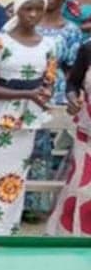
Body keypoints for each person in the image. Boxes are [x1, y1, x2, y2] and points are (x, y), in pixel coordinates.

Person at [0, 0, 56, 235]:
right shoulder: (0, 43)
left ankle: (8, 230)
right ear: (18, 10)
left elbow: (48, 81)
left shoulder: (48, 45)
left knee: (16, 179)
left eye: (38, 9)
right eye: (27, 8)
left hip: (27, 120)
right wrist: (26, 93)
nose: (33, 14)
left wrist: (41, 94)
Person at [26, 0, 82, 218]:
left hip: (56, 91)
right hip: (27, 88)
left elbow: (72, 67)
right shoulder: (26, 25)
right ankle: (21, 200)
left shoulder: (70, 31)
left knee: (51, 148)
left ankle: (43, 204)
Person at [47, 41, 91, 235]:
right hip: (87, 134)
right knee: (81, 189)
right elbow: (73, 83)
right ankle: (75, 237)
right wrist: (72, 99)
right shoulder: (88, 48)